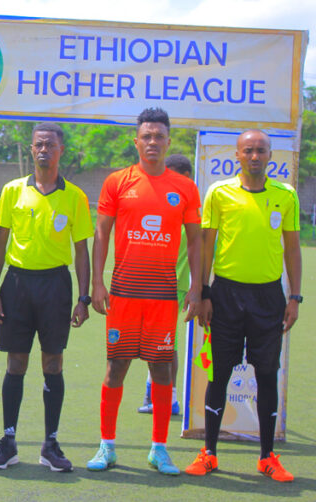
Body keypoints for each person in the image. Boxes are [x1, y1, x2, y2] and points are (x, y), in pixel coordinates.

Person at [87, 108, 201, 476]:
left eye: (159, 136)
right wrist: (97, 282)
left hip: (163, 295)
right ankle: (107, 446)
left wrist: (197, 287)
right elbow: (101, 233)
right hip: (124, 292)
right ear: (136, 141)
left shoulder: (185, 187)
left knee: (161, 368)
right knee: (116, 366)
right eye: (146, 136)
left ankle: (159, 449)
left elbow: (196, 242)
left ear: (168, 141)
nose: (152, 142)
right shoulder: (117, 181)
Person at [185, 130, 302, 482]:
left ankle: (267, 457)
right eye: (248, 150)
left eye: (261, 150)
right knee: (219, 374)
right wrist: (204, 293)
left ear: (270, 155)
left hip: (269, 298)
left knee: (266, 374)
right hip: (225, 296)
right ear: (236, 155)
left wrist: (294, 297)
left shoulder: (286, 195)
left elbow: (292, 249)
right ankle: (209, 453)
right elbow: (206, 245)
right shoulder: (219, 192)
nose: (254, 156)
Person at [0, 122, 93, 472]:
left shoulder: (75, 197)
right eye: (38, 144)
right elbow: (0, 243)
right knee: (15, 362)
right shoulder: (13, 190)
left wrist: (84, 298)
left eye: (50, 144)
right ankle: (8, 442)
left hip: (55, 286)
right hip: (16, 284)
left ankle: (51, 444)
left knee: (53, 363)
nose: (44, 149)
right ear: (31, 149)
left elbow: (81, 250)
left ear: (61, 150)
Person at [138, 154, 193, 415]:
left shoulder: (189, 206)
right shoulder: (166, 202)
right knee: (155, 343)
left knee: (165, 345)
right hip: (151, 284)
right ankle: (154, 395)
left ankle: (169, 399)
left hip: (171, 287)